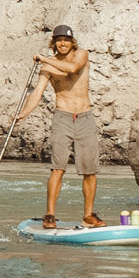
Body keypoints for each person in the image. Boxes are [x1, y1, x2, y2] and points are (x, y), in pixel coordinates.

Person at [17, 24, 106, 229]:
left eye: (66, 40)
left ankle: (88, 215)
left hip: (85, 117)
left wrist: (44, 58)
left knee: (89, 170)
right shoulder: (48, 67)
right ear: (54, 43)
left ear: (72, 42)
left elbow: (72, 69)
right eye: (58, 40)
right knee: (58, 168)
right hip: (62, 117)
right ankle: (50, 215)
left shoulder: (81, 55)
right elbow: (37, 93)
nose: (63, 43)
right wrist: (22, 114)